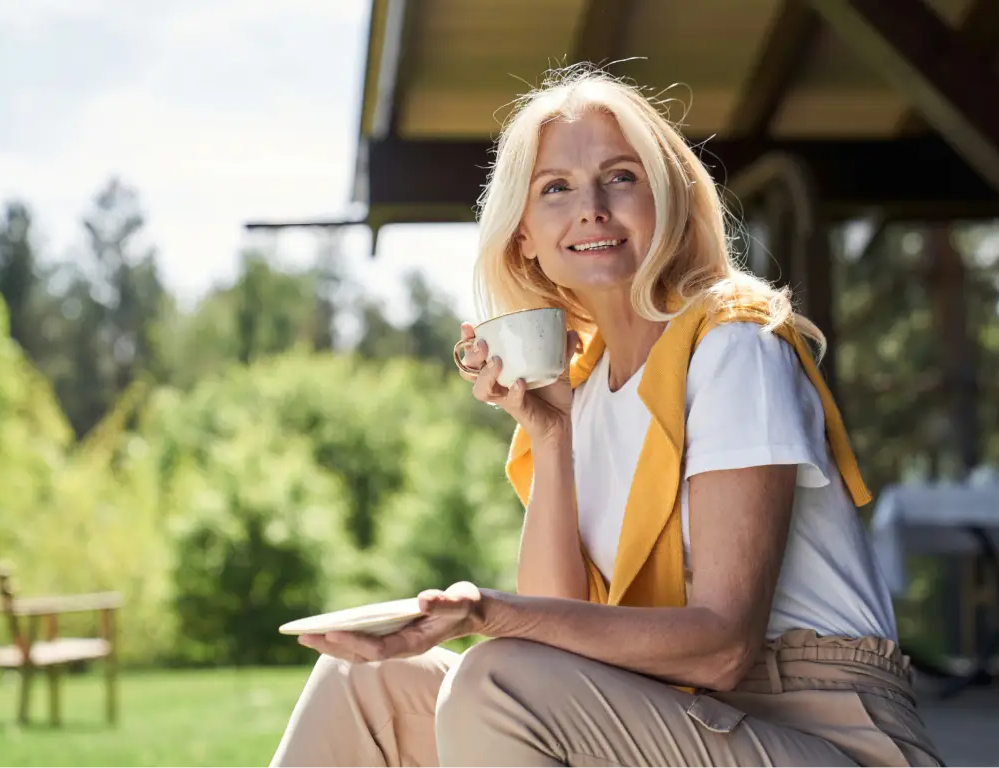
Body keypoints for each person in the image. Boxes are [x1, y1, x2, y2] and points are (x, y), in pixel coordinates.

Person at [269, 67, 940, 768]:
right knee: (364, 679)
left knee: (495, 679)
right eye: (554, 187)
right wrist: (550, 433)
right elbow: (551, 653)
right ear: (523, 234)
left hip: (826, 732)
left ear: (668, 203)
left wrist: (486, 611)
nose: (590, 207)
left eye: (620, 177)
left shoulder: (735, 347)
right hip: (675, 714)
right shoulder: (583, 394)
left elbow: (722, 646)